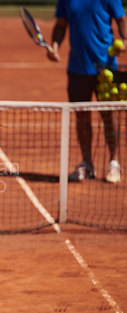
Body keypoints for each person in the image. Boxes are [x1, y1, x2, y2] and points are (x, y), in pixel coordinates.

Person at [47, 0, 127, 183]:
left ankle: (114, 163)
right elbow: (60, 25)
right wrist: (55, 47)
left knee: (110, 115)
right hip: (77, 67)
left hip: (106, 68)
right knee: (81, 116)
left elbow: (122, 20)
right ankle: (87, 164)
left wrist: (124, 41)